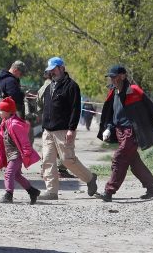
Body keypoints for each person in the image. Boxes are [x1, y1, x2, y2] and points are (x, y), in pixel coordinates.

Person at [96, 65, 153, 202]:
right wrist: (108, 128)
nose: (112, 79)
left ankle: (109, 191)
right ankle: (151, 188)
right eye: (111, 77)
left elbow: (151, 109)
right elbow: (112, 114)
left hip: (132, 132)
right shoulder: (113, 92)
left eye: (114, 76)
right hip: (119, 131)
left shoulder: (134, 90)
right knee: (133, 161)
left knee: (119, 157)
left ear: (123, 76)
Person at [39, 56, 97, 200]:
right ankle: (51, 192)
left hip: (63, 130)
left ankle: (90, 178)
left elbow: (75, 110)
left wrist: (72, 129)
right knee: (47, 160)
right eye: (50, 71)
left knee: (67, 160)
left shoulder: (72, 86)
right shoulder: (49, 86)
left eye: (54, 69)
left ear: (62, 68)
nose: (52, 73)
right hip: (48, 131)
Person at [0, 97, 41, 204]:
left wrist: (27, 153)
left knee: (8, 173)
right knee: (16, 175)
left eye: (1, 111)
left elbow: (24, 140)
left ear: (8, 112)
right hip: (11, 154)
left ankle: (8, 195)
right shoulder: (5, 122)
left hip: (17, 154)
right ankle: (32, 191)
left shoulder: (15, 124)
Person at [37, 70, 75, 179]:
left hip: (47, 120)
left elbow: (39, 105)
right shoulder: (54, 86)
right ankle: (61, 170)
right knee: (62, 148)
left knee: (48, 148)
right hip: (59, 121)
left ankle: (45, 170)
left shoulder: (42, 88)